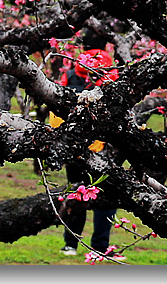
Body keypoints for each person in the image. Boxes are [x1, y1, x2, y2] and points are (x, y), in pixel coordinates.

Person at [58, 34, 119, 257]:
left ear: (83, 47)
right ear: (106, 47)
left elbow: (57, 110)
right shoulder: (111, 73)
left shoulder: (71, 73)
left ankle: (70, 244)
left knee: (76, 191)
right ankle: (101, 247)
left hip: (74, 146)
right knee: (107, 195)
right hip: (103, 146)